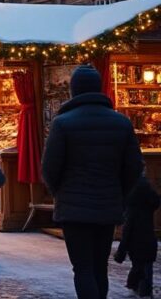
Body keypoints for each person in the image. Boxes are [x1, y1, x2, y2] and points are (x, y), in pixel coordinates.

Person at [42, 65, 143, 299]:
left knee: (83, 268)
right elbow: (134, 166)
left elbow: (49, 168)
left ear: (74, 90)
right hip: (107, 205)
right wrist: (120, 192)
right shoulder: (121, 123)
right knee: (99, 266)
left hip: (74, 209)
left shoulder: (63, 123)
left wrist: (60, 193)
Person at [114, 174, 159, 297]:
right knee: (146, 269)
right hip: (149, 241)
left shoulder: (132, 209)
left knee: (139, 269)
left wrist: (120, 253)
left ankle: (137, 290)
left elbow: (127, 232)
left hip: (136, 244)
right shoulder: (149, 205)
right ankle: (144, 292)